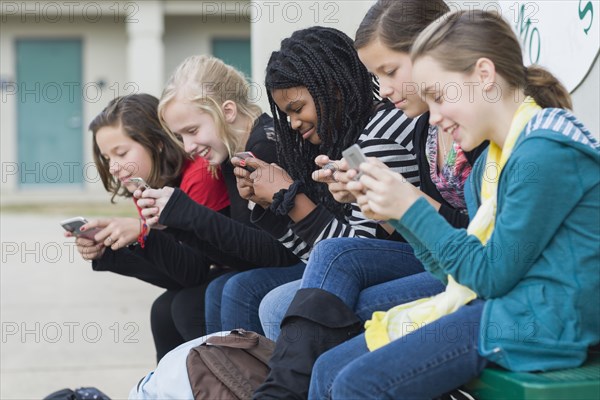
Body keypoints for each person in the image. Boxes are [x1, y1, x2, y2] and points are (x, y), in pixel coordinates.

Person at [310, 9, 599, 399]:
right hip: (503, 305)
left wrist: (411, 206)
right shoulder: (490, 166)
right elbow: (455, 274)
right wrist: (400, 213)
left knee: (355, 384)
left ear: (484, 75)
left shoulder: (543, 154)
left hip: (540, 322)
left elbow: (490, 276)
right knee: (328, 368)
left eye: (441, 97)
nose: (434, 118)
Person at [208, 26, 422, 335]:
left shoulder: (377, 139)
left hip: (421, 263)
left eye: (297, 109)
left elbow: (353, 256)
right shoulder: (347, 141)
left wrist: (292, 200)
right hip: (379, 263)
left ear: (332, 89)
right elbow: (320, 259)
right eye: (286, 114)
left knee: (276, 304)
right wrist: (273, 205)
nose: (293, 123)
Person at [134, 55, 303, 336]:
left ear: (227, 111)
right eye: (180, 137)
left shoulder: (264, 147)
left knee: (236, 288)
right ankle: (222, 378)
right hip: (285, 259)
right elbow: (245, 252)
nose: (188, 146)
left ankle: (245, 378)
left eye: (192, 130)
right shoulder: (231, 152)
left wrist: (188, 213)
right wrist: (177, 224)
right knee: (213, 288)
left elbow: (278, 251)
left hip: (308, 258)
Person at [67, 93, 231, 361]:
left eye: (121, 153)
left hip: (242, 270)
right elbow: (173, 273)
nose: (115, 167)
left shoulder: (200, 175)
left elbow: (194, 271)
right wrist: (108, 252)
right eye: (107, 158)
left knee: (183, 306)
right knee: (163, 309)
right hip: (208, 275)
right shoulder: (146, 184)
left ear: (158, 143)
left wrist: (142, 235)